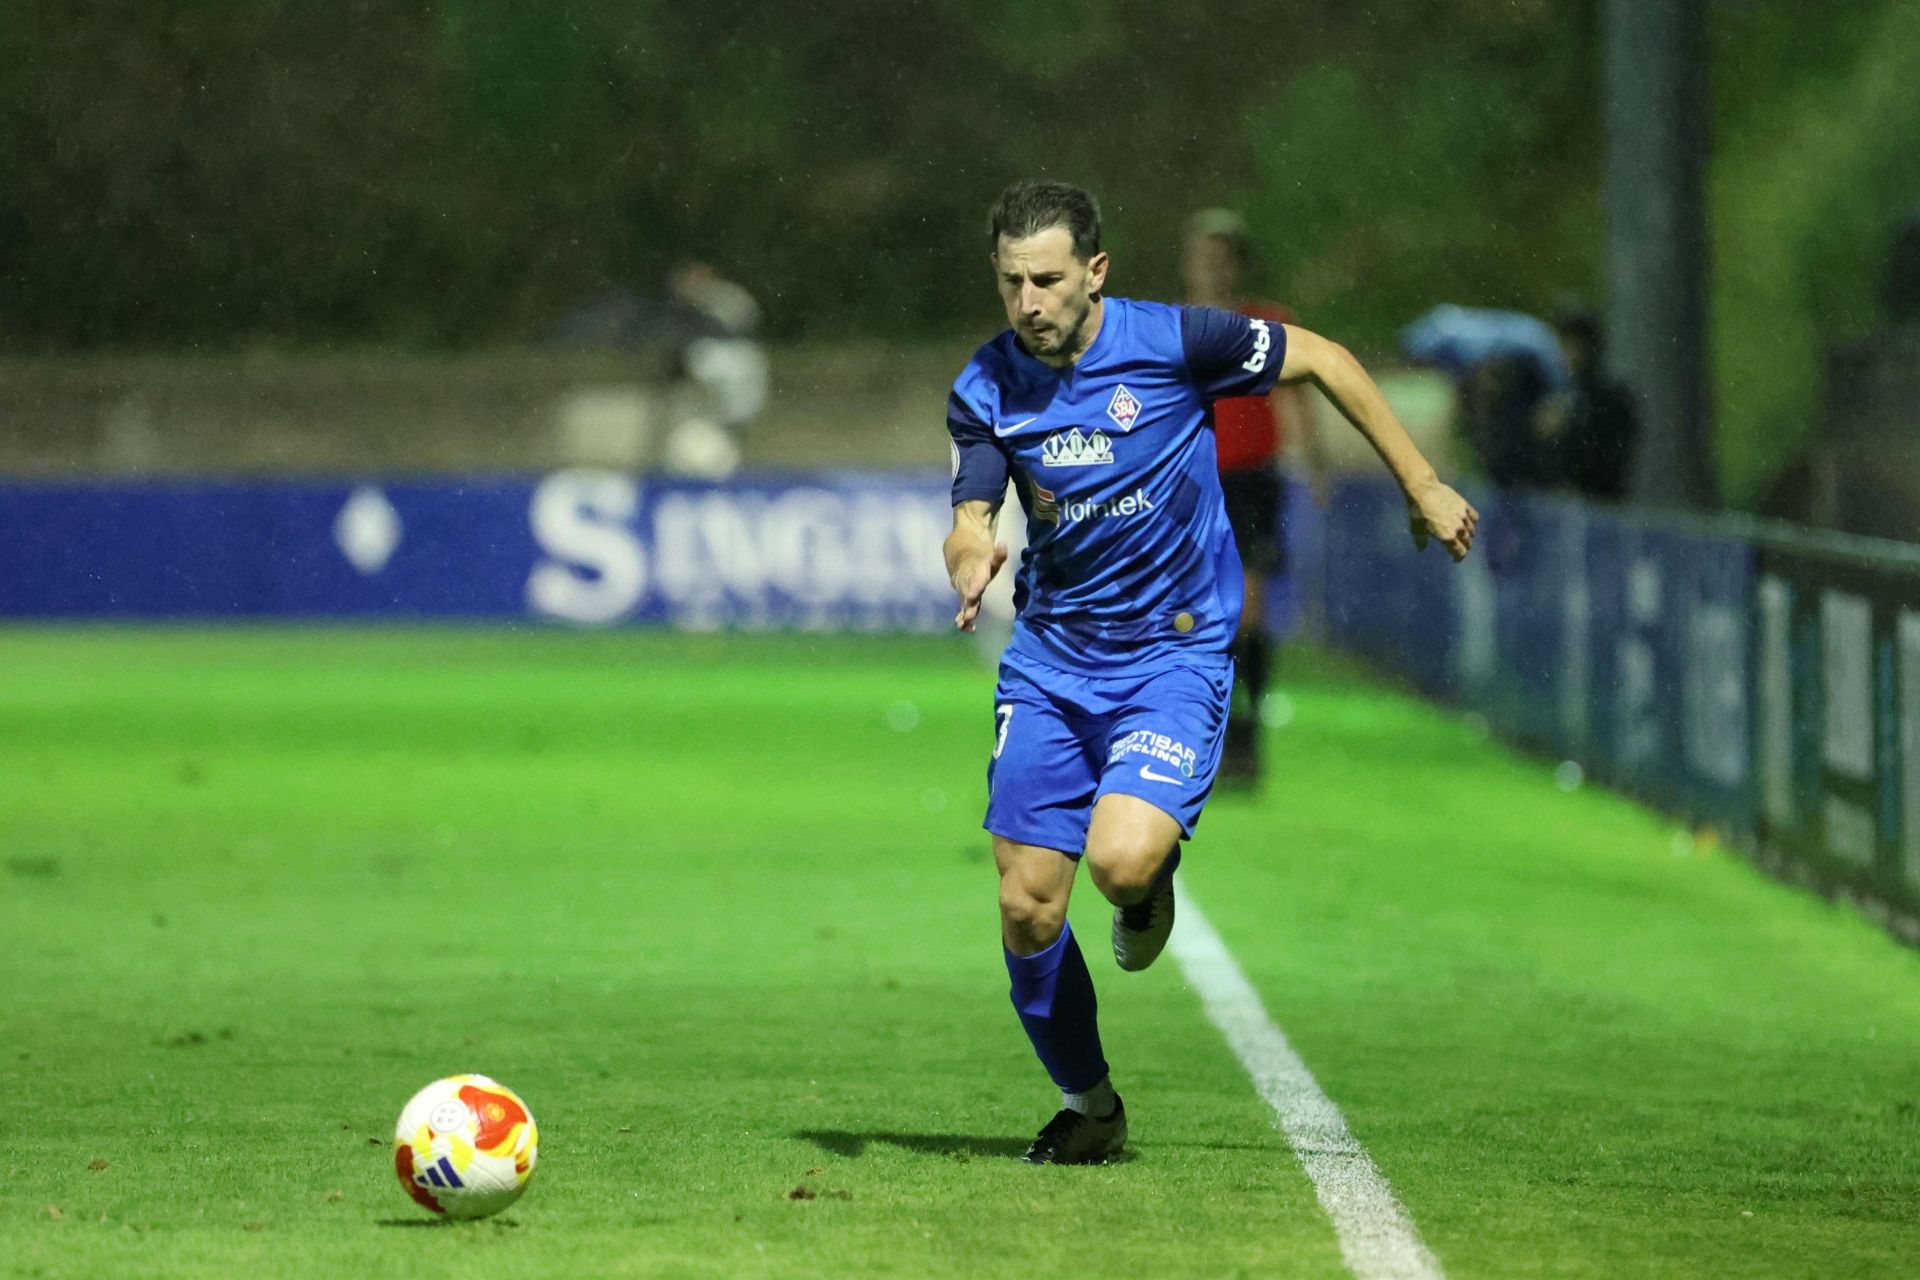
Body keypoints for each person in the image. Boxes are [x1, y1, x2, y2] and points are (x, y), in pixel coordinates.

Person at [943, 180, 1477, 1164]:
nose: (1029, 301)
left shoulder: (1178, 340)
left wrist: (1422, 480)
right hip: (1054, 662)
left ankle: (1148, 887)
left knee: (1120, 861)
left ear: (1095, 272)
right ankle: (1091, 1104)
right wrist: (971, 549)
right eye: (1012, 280)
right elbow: (973, 506)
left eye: (1049, 279)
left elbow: (1322, 358)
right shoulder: (986, 385)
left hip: (1172, 653)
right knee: (1026, 904)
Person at [1181, 208, 1326, 786]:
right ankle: (1196, 726)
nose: (1215, 268)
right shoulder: (1173, 325)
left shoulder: (1266, 324)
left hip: (1250, 480)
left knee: (1251, 604)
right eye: (1205, 256)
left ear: (1238, 265)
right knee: (1189, 609)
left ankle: (1247, 728)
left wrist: (1314, 461)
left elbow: (1299, 394)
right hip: (1186, 482)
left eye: (1225, 257)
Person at [1539, 299, 1638, 502]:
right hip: (1566, 502)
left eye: (1567, 343)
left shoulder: (1608, 396)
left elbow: (1609, 456)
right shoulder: (1561, 392)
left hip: (1597, 504)